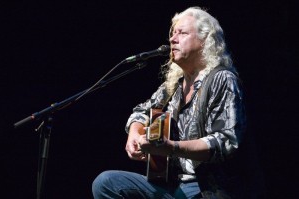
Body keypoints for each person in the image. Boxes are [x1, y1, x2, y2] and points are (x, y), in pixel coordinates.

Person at [92, 6, 264, 199]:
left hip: (208, 188)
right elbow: (141, 111)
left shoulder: (222, 79)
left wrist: (172, 147)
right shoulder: (173, 86)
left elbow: (225, 141)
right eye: (172, 34)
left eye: (182, 33)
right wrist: (134, 133)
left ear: (204, 40)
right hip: (172, 184)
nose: (172, 39)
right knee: (106, 183)